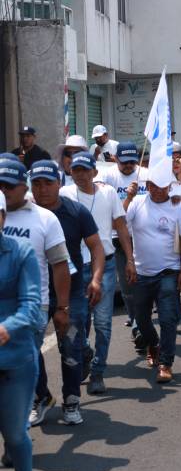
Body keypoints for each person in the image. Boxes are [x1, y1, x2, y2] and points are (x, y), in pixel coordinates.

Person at [29, 160, 104, 426]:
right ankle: (41, 397)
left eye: (48, 183)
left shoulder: (76, 212)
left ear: (60, 184)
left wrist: (95, 280)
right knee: (28, 349)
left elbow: (96, 248)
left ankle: (71, 400)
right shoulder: (23, 212)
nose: (42, 189)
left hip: (71, 294)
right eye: (36, 183)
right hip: (34, 295)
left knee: (70, 347)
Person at [0, 159, 71, 426]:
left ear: (22, 185)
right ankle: (40, 395)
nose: (4, 191)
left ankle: (21, 417)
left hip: (34, 304)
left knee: (20, 356)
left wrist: (62, 308)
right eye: (0, 186)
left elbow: (60, 266)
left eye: (9, 186)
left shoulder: (44, 218)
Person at [60, 152, 134, 394]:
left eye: (84, 170)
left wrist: (130, 259)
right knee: (76, 322)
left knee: (103, 323)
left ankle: (98, 371)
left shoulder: (108, 193)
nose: (80, 174)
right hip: (73, 267)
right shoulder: (64, 194)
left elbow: (121, 226)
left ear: (94, 172)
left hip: (106, 265)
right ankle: (83, 351)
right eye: (75, 169)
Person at [126, 178, 181, 383]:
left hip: (168, 271)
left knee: (168, 318)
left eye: (162, 185)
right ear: (147, 186)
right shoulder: (137, 203)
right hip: (141, 272)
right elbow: (118, 222)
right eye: (153, 185)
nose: (157, 190)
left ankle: (165, 363)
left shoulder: (178, 206)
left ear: (169, 186)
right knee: (142, 319)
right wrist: (128, 197)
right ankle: (153, 343)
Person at [0, 189, 42, 471]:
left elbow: (31, 307)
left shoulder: (21, 252)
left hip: (16, 361)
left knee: (15, 436)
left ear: (2, 218)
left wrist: (6, 328)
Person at [100, 142, 148, 329]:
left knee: (144, 282)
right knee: (127, 284)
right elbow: (112, 215)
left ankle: (140, 319)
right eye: (124, 162)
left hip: (143, 237)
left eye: (132, 162)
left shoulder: (145, 174)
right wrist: (128, 198)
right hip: (118, 237)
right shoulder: (108, 176)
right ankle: (133, 315)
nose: (129, 166)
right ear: (116, 159)